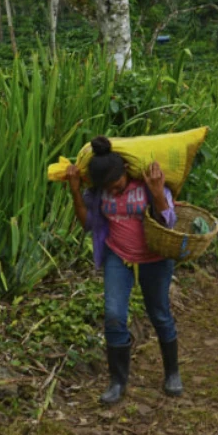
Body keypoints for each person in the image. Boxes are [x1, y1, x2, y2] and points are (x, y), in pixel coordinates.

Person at [65, 136, 182, 405]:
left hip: (155, 257)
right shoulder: (99, 193)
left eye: (116, 184)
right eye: (107, 188)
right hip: (118, 255)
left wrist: (157, 193)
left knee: (159, 313)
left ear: (126, 171)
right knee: (114, 315)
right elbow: (88, 223)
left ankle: (172, 373)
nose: (113, 191)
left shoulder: (147, 185)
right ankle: (117, 381)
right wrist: (75, 192)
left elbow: (170, 222)